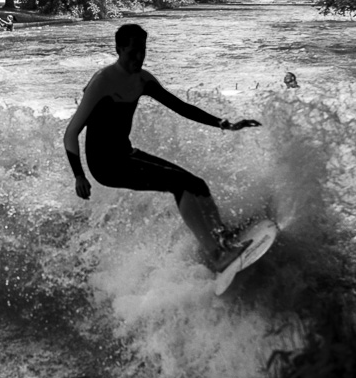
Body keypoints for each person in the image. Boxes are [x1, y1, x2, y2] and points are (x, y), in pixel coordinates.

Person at [63, 23, 262, 270]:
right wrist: (79, 175)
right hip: (104, 165)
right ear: (119, 49)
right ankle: (215, 253)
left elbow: (181, 107)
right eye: (132, 52)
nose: (139, 57)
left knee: (197, 184)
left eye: (143, 51)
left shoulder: (142, 80)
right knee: (179, 184)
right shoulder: (103, 81)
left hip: (126, 155)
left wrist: (223, 124)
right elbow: (71, 133)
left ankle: (222, 236)